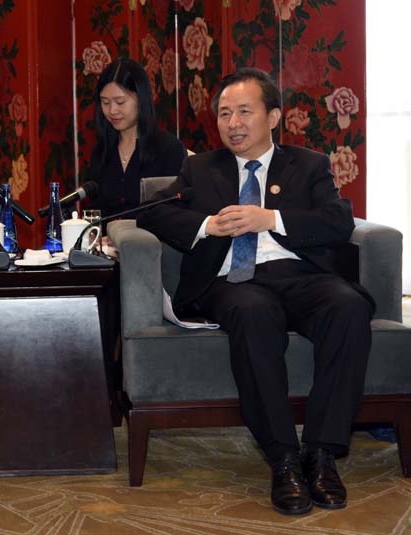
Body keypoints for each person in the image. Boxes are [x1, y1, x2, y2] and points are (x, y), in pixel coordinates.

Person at [136, 67, 373, 516]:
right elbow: (151, 212)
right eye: (225, 113)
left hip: (301, 275)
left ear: (273, 117)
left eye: (245, 111)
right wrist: (207, 225)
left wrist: (272, 219)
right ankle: (283, 459)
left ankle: (321, 453)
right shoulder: (200, 168)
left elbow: (339, 220)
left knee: (348, 307)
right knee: (253, 311)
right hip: (233, 281)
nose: (233, 123)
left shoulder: (309, 164)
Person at [88, 58, 186, 215]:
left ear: (141, 99)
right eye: (105, 103)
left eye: (120, 102)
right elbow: (94, 210)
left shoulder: (169, 149)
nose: (112, 110)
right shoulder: (101, 151)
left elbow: (176, 211)